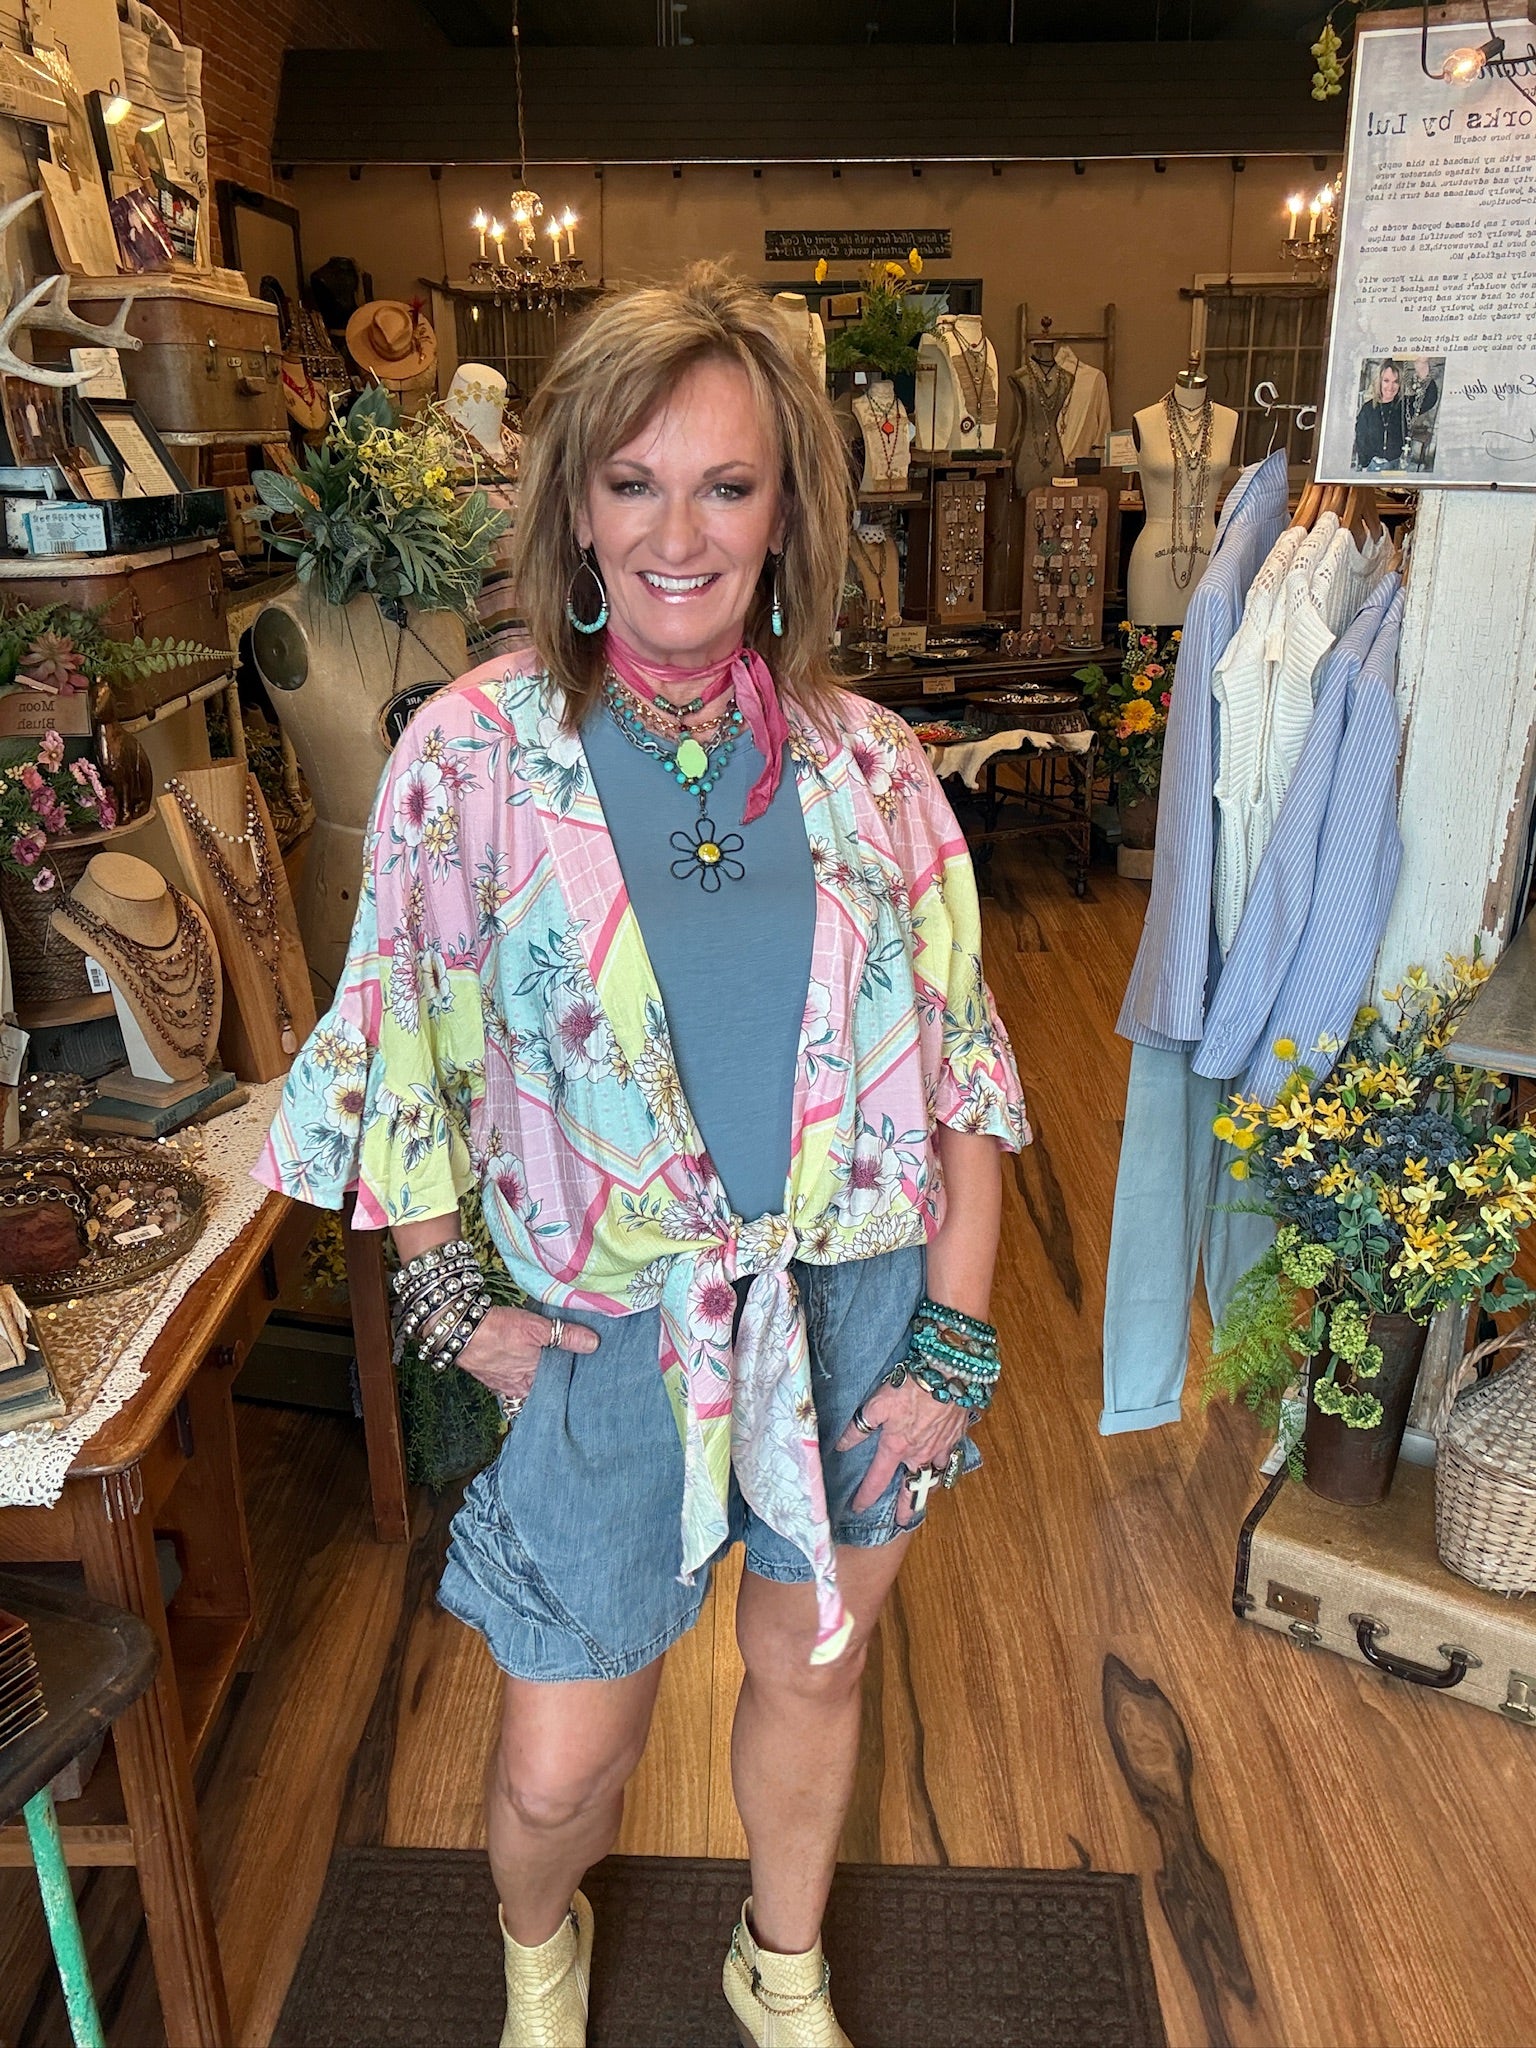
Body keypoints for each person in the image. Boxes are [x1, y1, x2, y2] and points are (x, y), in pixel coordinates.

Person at [257, 262, 1027, 2048]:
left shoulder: (873, 770)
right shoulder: (471, 756)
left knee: (812, 1667)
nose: (680, 533)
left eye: (727, 485)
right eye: (635, 482)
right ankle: (542, 1954)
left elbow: (966, 1081)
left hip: (854, 1310)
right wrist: (453, 1303)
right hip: (606, 1335)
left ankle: (783, 1966)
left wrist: (956, 1342)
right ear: (577, 509)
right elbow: (395, 1044)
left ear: (787, 513)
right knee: (558, 1762)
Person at [1353, 359, 1409, 471]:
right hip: (1373, 465)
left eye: (1396, 381)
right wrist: (1366, 463)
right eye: (1386, 380)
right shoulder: (1368, 409)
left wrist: (1422, 365)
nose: (1390, 387)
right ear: (1379, 381)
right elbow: (1361, 438)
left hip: (1396, 464)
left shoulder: (1404, 405)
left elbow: (1429, 398)